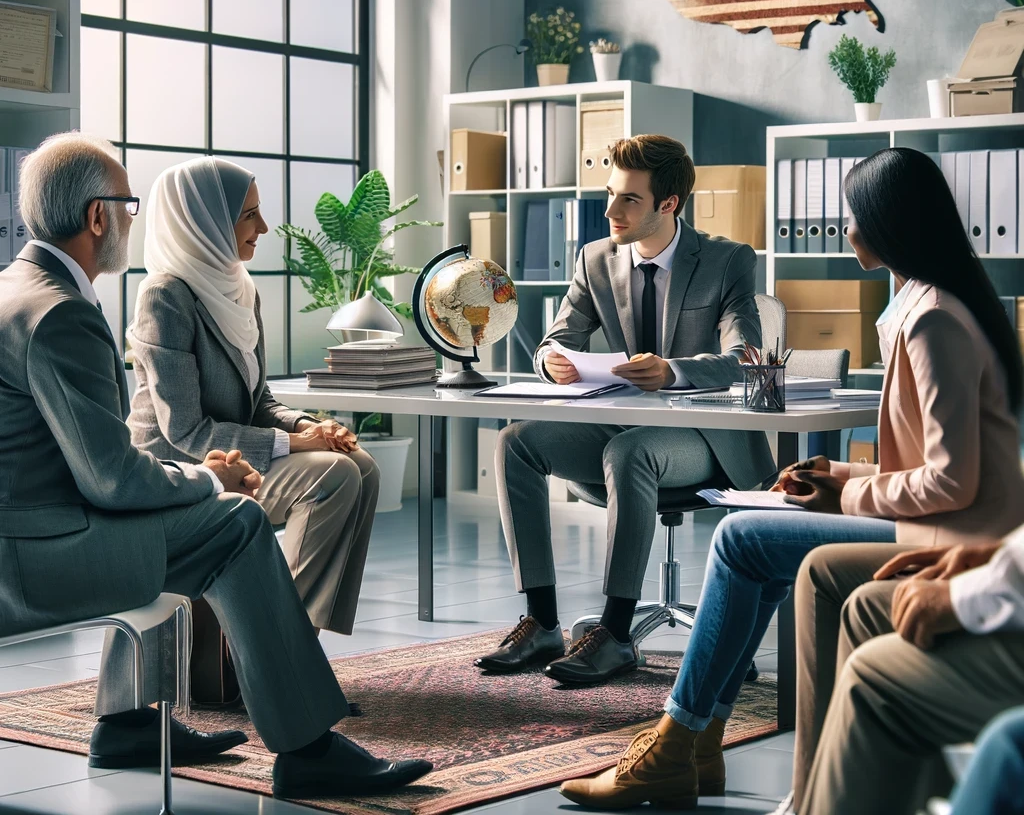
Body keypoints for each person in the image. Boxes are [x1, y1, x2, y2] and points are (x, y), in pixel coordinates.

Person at [558, 146, 1024, 810]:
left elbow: (952, 482)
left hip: (948, 540)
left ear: (890, 224)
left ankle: (683, 743)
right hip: (932, 522)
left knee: (743, 540)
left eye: (854, 217)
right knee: (751, 542)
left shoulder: (934, 322)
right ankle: (700, 744)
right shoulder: (932, 305)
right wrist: (839, 473)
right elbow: (937, 465)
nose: (847, 231)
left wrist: (852, 491)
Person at [0, 133, 430, 800]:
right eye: (128, 203)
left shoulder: (17, 288)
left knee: (204, 513)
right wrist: (210, 478)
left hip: (33, 535)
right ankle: (306, 745)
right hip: (34, 563)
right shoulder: (62, 314)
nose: (135, 219)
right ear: (96, 217)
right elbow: (114, 479)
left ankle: (128, 723)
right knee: (232, 522)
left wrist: (289, 435)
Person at [478, 134, 776, 686]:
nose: (611, 211)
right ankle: (543, 622)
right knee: (515, 441)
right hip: (621, 424)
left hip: (701, 436)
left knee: (629, 449)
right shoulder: (595, 259)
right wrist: (554, 364)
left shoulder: (726, 260)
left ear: (670, 204)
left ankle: (615, 636)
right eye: (610, 194)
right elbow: (554, 340)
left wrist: (674, 370)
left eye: (629, 200)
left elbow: (743, 357)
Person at [128, 157, 378, 637]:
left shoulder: (242, 290)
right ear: (204, 221)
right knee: (332, 475)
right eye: (249, 215)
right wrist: (302, 446)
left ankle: (295, 646)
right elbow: (185, 431)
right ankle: (278, 647)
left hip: (237, 458)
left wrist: (308, 426)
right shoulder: (165, 297)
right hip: (181, 472)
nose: (263, 227)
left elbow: (258, 399)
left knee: (361, 464)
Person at [799, 527, 1024, 815]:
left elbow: (950, 488)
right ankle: (812, 799)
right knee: (865, 608)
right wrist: (1000, 551)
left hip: (960, 533)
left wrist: (850, 489)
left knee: (871, 678)